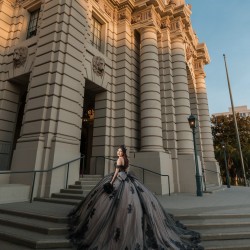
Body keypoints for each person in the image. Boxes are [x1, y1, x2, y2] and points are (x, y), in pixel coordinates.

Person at [68, 145, 203, 250]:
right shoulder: (127, 159)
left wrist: (110, 182)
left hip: (119, 179)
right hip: (127, 179)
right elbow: (126, 170)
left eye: (120, 151)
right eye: (118, 151)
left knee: (111, 203)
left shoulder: (119, 160)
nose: (118, 152)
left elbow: (116, 172)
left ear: (122, 152)